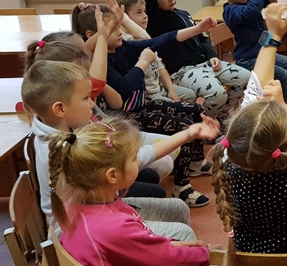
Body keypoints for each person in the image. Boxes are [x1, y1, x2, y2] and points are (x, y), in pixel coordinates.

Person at [21, 60, 218, 241]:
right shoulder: (72, 149)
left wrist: (188, 134)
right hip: (83, 234)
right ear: (60, 109)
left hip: (97, 212)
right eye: (86, 98)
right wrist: (187, 134)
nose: (92, 104)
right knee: (183, 234)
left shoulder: (59, 130)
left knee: (178, 209)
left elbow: (137, 157)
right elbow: (139, 158)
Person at [211, 3, 287, 266]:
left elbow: (254, 88)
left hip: (247, 260)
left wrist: (272, 37)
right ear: (281, 144)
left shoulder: (227, 160)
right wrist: (285, 107)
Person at [72, 3, 217, 207]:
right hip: (126, 116)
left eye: (120, 26)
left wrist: (198, 29)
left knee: (195, 109)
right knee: (183, 127)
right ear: (93, 35)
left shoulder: (124, 47)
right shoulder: (100, 62)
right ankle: (182, 187)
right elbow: (125, 87)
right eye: (114, 28)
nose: (121, 32)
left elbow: (161, 40)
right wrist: (142, 62)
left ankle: (196, 162)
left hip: (142, 106)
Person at [49, 117, 213, 266]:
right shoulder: (113, 228)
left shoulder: (78, 205)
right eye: (134, 158)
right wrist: (210, 254)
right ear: (112, 176)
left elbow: (147, 250)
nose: (139, 162)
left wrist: (170, 244)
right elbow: (167, 262)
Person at [139, 0, 250, 128]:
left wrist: (212, 55)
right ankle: (202, 124)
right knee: (218, 94)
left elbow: (202, 39)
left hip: (206, 64)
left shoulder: (183, 14)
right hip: (184, 72)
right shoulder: (156, 21)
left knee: (247, 78)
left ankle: (220, 118)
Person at [216, 0, 287, 114]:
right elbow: (251, 12)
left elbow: (270, 4)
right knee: (284, 75)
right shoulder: (230, 12)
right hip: (247, 58)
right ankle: (277, 109)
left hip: (262, 52)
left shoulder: (250, 0)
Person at [114, 0, 198, 103]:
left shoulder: (144, 34)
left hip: (159, 88)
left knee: (190, 95)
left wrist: (171, 90)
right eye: (139, 12)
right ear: (124, 18)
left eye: (145, 11)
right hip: (146, 95)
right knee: (178, 106)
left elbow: (159, 67)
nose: (145, 16)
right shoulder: (125, 41)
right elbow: (145, 39)